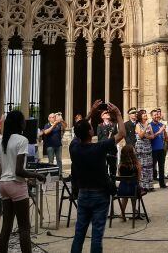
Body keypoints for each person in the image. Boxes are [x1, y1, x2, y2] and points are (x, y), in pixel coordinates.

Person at [70, 100, 125, 253]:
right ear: (90, 132)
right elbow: (122, 133)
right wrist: (119, 115)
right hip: (99, 194)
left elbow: (77, 131)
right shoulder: (99, 147)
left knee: (79, 233)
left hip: (83, 193)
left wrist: (91, 112)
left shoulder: (73, 148)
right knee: (96, 235)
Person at [0, 110, 47, 253]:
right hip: (16, 184)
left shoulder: (2, 142)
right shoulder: (22, 140)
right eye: (23, 120)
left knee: (6, 226)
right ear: (19, 123)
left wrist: (6, 173)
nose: (25, 123)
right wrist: (36, 175)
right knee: (24, 227)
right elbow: (19, 170)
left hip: (4, 185)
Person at [116, 145, 141, 219]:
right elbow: (138, 178)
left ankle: (122, 213)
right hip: (134, 190)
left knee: (126, 192)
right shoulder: (136, 165)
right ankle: (134, 211)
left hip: (122, 190)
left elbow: (120, 177)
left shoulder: (120, 165)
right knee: (134, 187)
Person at [134, 110, 154, 193]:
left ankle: (149, 186)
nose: (145, 114)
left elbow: (152, 136)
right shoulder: (138, 125)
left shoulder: (149, 125)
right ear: (140, 116)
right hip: (141, 148)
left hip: (148, 147)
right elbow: (140, 135)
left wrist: (146, 135)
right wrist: (145, 128)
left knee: (149, 167)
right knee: (142, 167)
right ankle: (142, 186)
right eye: (143, 114)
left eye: (146, 113)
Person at [96, 110, 118, 179]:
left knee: (113, 167)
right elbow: (99, 138)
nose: (108, 114)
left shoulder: (114, 125)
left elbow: (117, 136)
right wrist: (107, 140)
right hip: (104, 149)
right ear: (102, 116)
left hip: (112, 149)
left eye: (108, 113)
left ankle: (113, 182)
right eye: (105, 113)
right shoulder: (100, 126)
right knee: (104, 167)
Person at [149, 109, 167, 188]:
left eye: (157, 114)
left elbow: (164, 136)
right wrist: (160, 131)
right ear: (152, 116)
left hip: (161, 148)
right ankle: (150, 185)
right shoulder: (150, 125)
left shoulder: (161, 124)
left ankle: (162, 184)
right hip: (153, 149)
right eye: (155, 115)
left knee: (161, 167)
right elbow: (151, 137)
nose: (157, 116)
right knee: (152, 167)